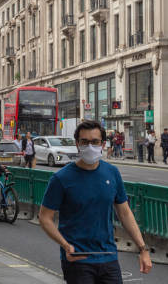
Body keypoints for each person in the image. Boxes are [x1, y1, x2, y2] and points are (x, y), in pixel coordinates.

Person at [39, 120, 152, 284]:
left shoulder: (112, 173)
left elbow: (125, 212)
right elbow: (44, 217)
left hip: (108, 257)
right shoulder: (61, 178)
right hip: (78, 260)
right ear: (77, 144)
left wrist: (143, 249)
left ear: (103, 144)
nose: (90, 146)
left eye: (95, 142)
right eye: (84, 142)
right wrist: (65, 245)